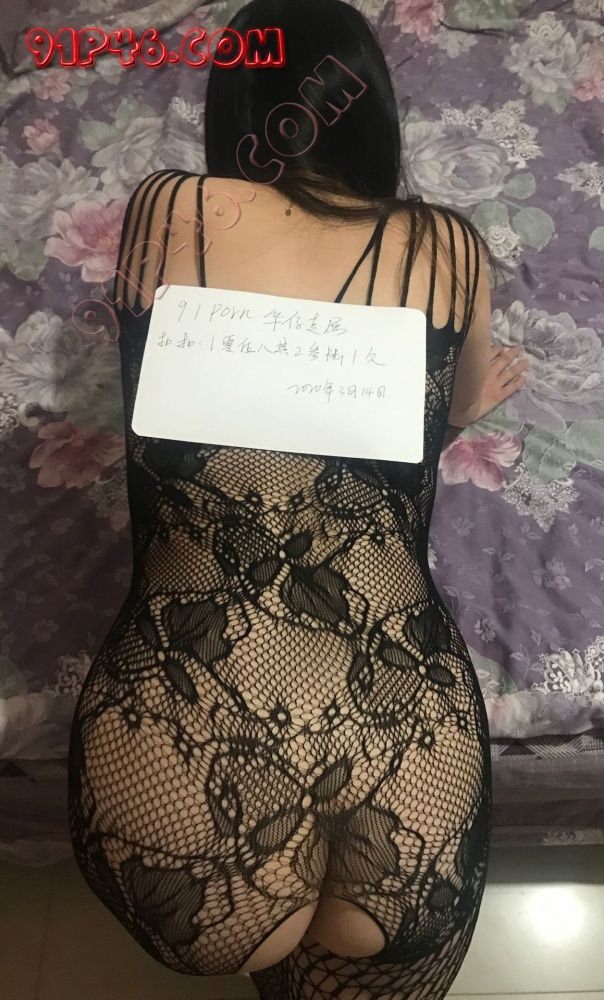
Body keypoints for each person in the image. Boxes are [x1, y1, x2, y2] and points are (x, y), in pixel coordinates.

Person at [67, 1, 529, 997]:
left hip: (184, 711)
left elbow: (151, 378)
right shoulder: (446, 246)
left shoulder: (168, 209)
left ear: (238, 101)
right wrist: (461, 405)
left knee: (256, 940)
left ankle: (273, 938)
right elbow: (420, 435)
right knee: (355, 971)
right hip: (401, 723)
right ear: (377, 111)